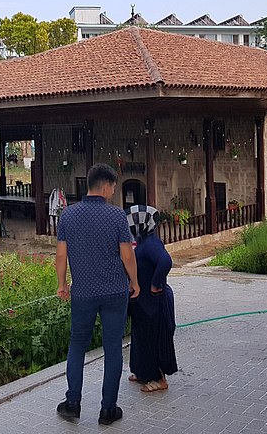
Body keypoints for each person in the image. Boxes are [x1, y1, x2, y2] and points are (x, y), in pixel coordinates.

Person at [55, 163, 140, 426]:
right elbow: (127, 254)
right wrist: (134, 281)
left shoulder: (68, 216)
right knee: (113, 346)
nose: (114, 191)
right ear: (104, 186)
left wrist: (62, 284)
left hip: (82, 292)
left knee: (77, 345)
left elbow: (60, 255)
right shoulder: (116, 216)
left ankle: (72, 404)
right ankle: (108, 409)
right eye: (113, 186)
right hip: (115, 291)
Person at [125, 204, 178, 393]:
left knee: (153, 339)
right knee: (140, 336)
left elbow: (165, 261)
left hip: (153, 301)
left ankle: (158, 378)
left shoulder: (151, 243)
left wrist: (156, 284)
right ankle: (142, 371)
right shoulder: (143, 241)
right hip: (142, 300)